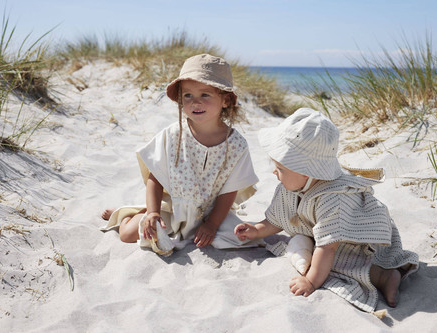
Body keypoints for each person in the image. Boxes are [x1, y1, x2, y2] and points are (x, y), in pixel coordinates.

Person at [234, 108, 419, 314]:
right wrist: (257, 229)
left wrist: (311, 282)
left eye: (281, 169)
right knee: (314, 252)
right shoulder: (290, 186)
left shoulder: (333, 199)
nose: (274, 172)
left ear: (307, 172)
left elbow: (327, 248)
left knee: (336, 262)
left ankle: (385, 276)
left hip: (359, 237)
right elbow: (278, 218)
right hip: (327, 234)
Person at [101, 53, 261, 253]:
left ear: (226, 100)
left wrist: (211, 224)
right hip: (174, 208)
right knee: (128, 235)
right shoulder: (173, 135)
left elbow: (229, 191)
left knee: (241, 237)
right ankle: (125, 216)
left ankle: (199, 225)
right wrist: (153, 213)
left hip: (212, 213)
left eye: (205, 94)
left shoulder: (236, 144)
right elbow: (155, 178)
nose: (195, 102)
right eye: (188, 95)